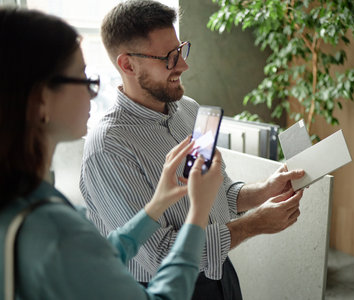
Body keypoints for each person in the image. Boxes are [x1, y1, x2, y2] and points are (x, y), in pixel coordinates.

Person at [80, 0, 306, 299]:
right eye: (169, 58)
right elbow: (158, 255)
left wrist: (263, 190)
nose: (184, 65)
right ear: (127, 64)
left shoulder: (189, 110)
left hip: (220, 273)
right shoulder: (107, 148)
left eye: (182, 50)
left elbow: (218, 193)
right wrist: (255, 224)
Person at [0, 6, 224, 300]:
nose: (93, 93)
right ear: (42, 100)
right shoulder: (53, 227)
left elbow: (96, 255)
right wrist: (198, 213)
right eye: (84, 79)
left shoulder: (22, 200)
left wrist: (155, 206)